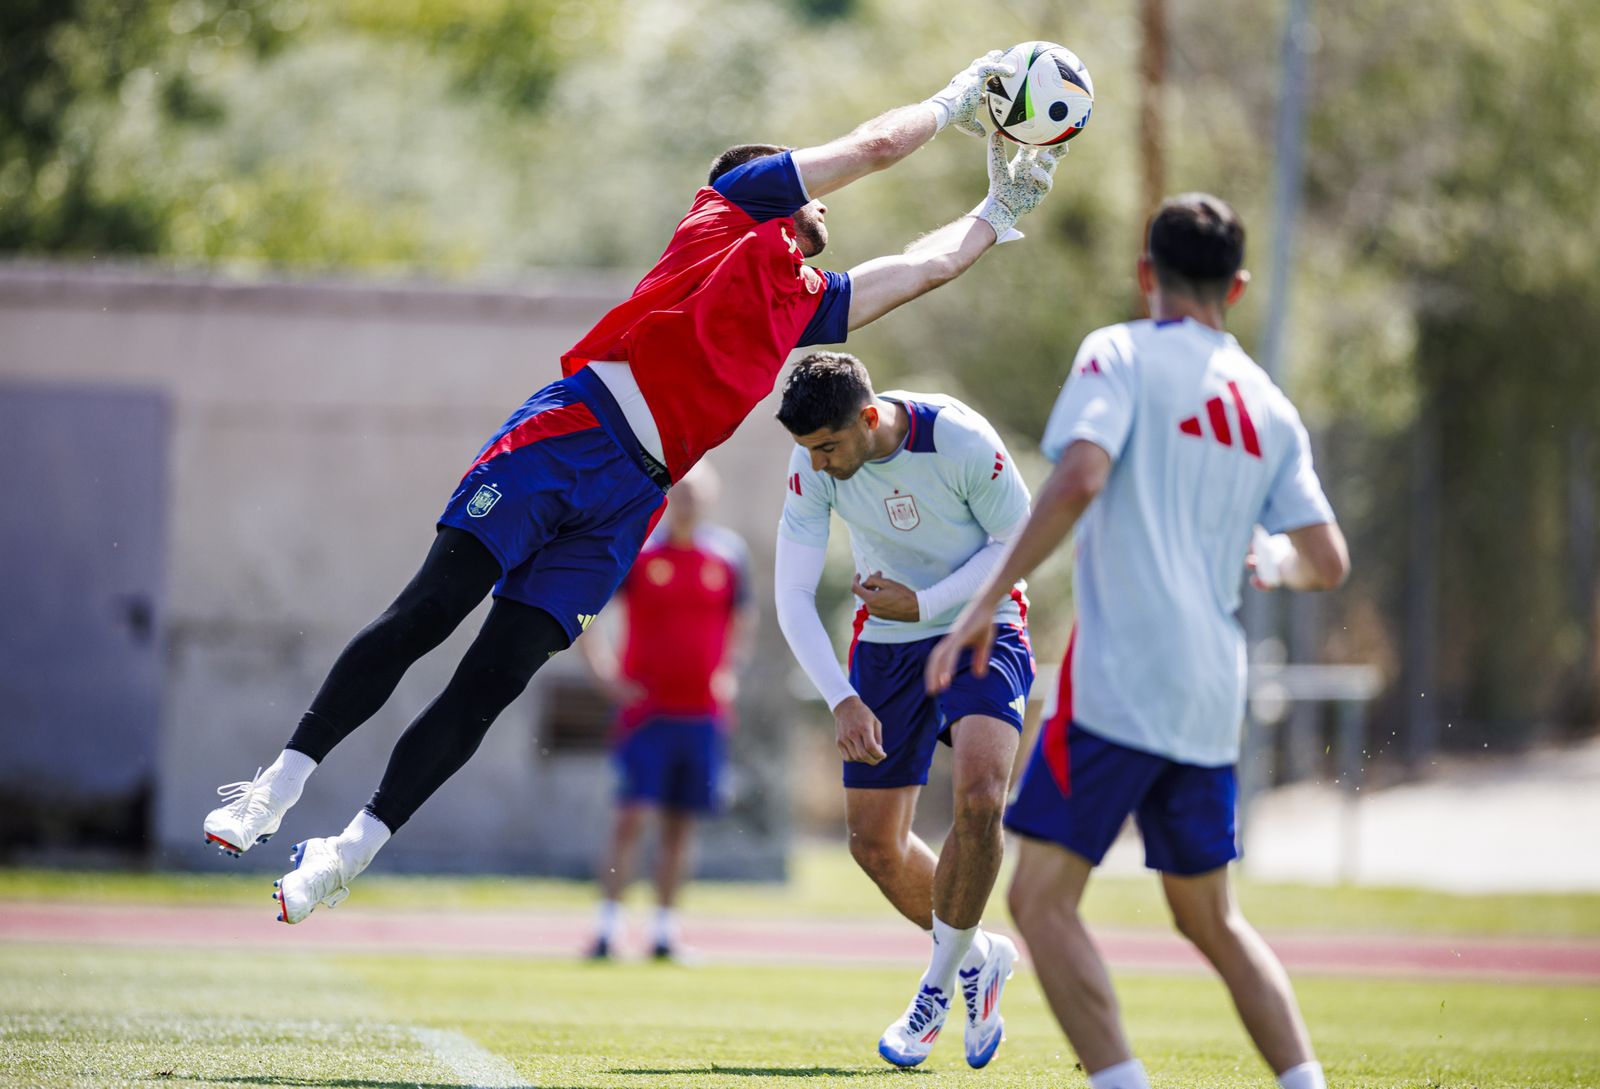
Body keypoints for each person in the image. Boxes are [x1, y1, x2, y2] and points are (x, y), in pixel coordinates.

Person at [200, 49, 1066, 925]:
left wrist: (998, 210)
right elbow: (878, 145)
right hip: (570, 434)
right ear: (766, 190)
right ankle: (274, 786)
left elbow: (925, 267)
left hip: (629, 500)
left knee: (491, 682)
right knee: (428, 612)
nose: (823, 203)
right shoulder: (728, 210)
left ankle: (349, 852)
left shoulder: (804, 305)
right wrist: (963, 95)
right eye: (808, 191)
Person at [926, 193, 1350, 1089]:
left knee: (1039, 903)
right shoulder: (1268, 403)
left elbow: (1081, 473)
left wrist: (985, 601)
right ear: (1236, 286)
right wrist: (1265, 560)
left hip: (1122, 675)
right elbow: (1326, 557)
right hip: (1209, 690)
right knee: (1211, 919)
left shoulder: (1117, 351)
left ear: (1145, 274)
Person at [773, 352, 1033, 1069]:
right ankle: (979, 956)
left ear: (866, 418)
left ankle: (932, 993)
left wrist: (926, 601)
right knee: (874, 845)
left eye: (827, 447)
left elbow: (1019, 539)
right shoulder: (810, 465)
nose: (819, 466)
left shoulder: (958, 438)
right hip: (886, 648)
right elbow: (791, 594)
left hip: (983, 624)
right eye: (807, 451)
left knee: (980, 798)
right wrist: (842, 697)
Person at [575, 463, 753, 961]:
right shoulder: (640, 551)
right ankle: (607, 930)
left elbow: (743, 621)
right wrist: (604, 672)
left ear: (710, 500)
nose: (688, 504)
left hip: (701, 714)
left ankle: (663, 933)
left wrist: (730, 672)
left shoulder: (728, 556)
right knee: (631, 818)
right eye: (682, 495)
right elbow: (592, 610)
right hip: (646, 712)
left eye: (697, 495)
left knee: (681, 823)